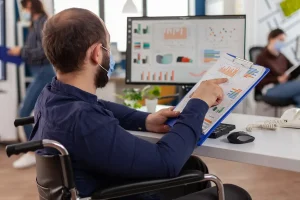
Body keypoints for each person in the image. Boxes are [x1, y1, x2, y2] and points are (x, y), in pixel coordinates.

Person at [30, 8, 251, 200]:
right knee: (235, 194)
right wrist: (199, 102)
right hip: (114, 194)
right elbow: (166, 162)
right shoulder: (84, 120)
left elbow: (101, 105)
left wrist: (145, 120)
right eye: (107, 46)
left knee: (194, 167)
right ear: (97, 53)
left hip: (99, 184)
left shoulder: (51, 96)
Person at [8, 0, 55, 169]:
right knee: (39, 114)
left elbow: (44, 51)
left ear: (31, 4)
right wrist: (20, 51)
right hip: (39, 72)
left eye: (24, 7)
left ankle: (32, 151)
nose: (23, 11)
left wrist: (21, 51)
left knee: (23, 113)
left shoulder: (43, 23)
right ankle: (38, 150)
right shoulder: (36, 23)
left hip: (44, 72)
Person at [256, 29, 300, 107]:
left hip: (284, 85)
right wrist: (277, 79)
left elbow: (293, 70)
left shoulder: (281, 56)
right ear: (271, 39)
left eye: (283, 40)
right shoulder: (261, 57)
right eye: (280, 40)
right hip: (269, 89)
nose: (282, 43)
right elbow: (257, 80)